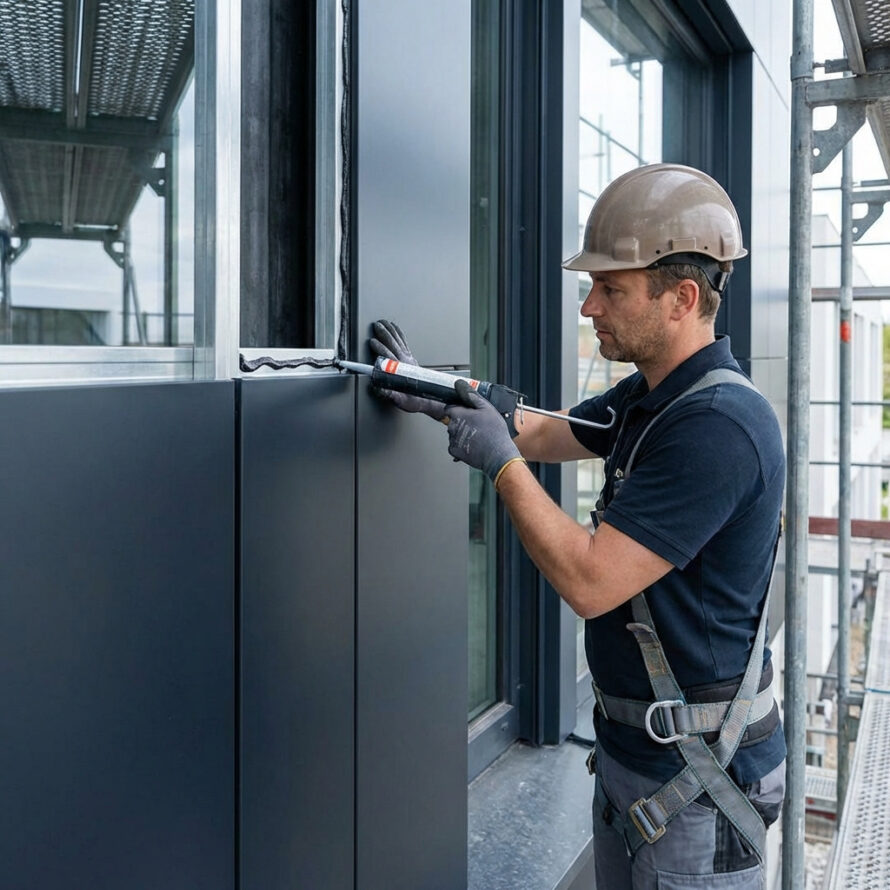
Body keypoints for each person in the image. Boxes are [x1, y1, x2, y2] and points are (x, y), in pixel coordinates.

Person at [370, 163, 786, 889]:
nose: (589, 305)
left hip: (697, 790)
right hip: (639, 759)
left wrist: (499, 465)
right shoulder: (655, 395)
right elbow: (536, 432)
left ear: (682, 298)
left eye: (611, 289)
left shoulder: (719, 427)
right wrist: (434, 391)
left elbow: (592, 581)